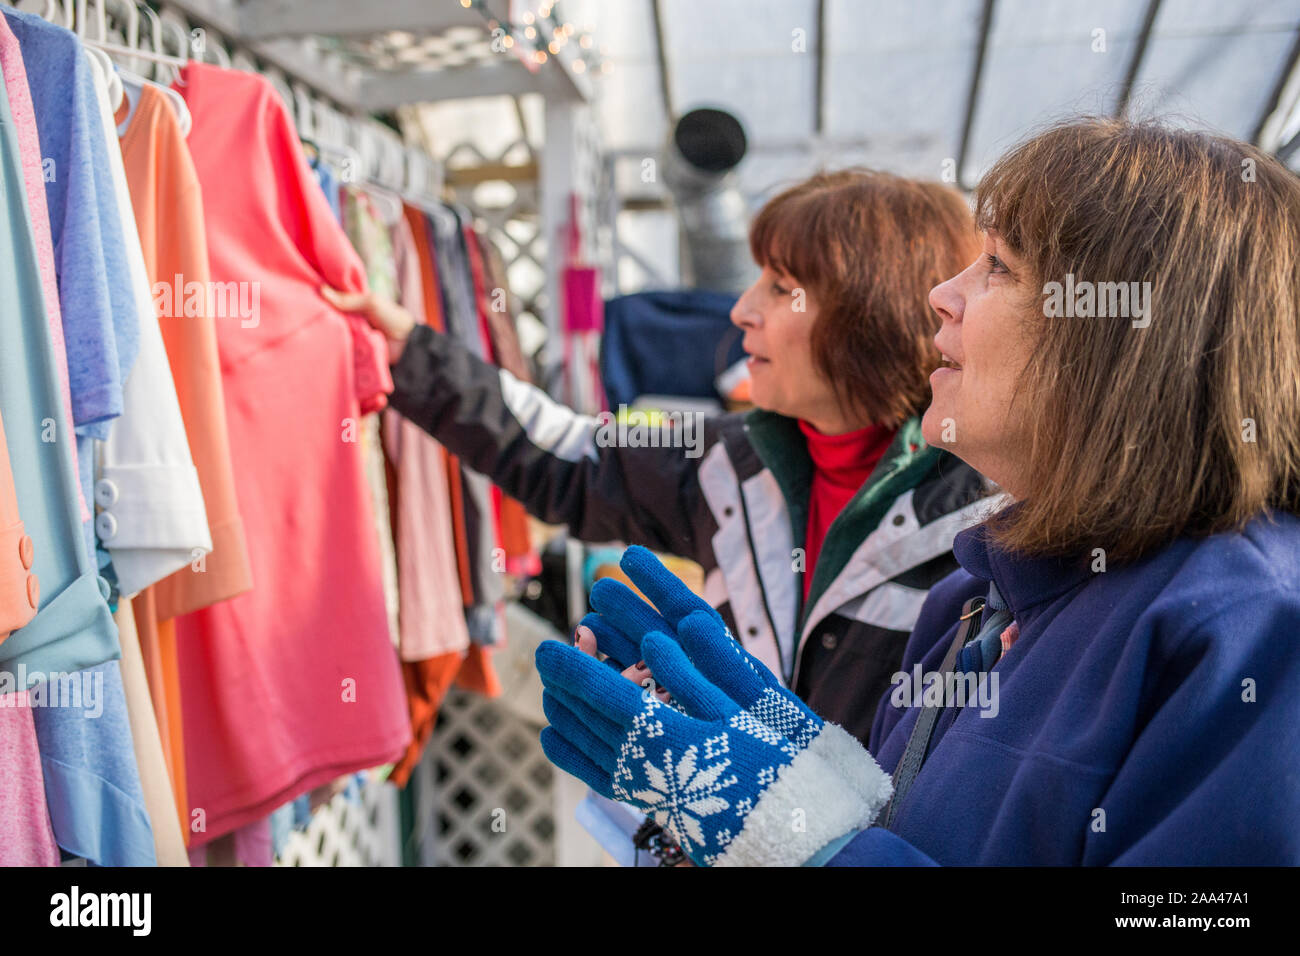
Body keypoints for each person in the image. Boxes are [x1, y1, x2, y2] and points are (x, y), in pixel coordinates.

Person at [535, 118, 1300, 866]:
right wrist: (806, 774)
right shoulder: (974, 597)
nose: (940, 294)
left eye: (997, 265)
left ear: (1128, 328)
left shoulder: (1250, 630)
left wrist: (803, 845)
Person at [328, 169, 993, 744]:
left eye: (779, 286)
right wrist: (414, 355)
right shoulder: (728, 458)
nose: (740, 310)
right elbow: (567, 454)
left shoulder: (989, 522)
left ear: (869, 316)